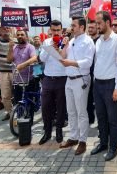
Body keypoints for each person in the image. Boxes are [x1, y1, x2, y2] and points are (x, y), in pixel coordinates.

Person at [90, 11, 117, 161]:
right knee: (101, 117)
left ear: (107, 22)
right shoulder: (98, 41)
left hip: (111, 85)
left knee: (113, 118)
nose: (97, 26)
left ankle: (113, 147)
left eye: (99, 23)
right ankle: (103, 143)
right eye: (96, 23)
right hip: (97, 85)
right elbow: (97, 62)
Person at [59, 16, 95, 155]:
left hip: (81, 79)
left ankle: (83, 141)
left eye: (74, 25)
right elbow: (62, 57)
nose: (71, 27)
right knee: (71, 111)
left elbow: (88, 62)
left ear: (81, 27)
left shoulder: (88, 41)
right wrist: (65, 45)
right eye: (71, 25)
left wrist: (71, 63)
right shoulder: (72, 40)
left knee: (81, 112)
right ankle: (73, 137)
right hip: (69, 79)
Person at [39, 20, 67, 145]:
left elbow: (65, 59)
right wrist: (50, 48)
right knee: (45, 107)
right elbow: (42, 59)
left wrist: (60, 47)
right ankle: (47, 131)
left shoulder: (66, 42)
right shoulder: (46, 42)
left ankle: (59, 130)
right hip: (48, 79)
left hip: (62, 78)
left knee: (61, 107)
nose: (56, 32)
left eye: (58, 30)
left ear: (61, 30)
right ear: (50, 30)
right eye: (53, 30)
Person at [7, 30, 38, 124]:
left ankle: (30, 121)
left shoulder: (30, 47)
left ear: (26, 37)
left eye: (22, 34)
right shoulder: (14, 47)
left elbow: (34, 58)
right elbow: (9, 60)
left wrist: (23, 65)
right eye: (18, 35)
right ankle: (20, 121)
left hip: (29, 79)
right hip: (17, 80)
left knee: (30, 102)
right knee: (17, 101)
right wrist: (10, 48)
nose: (20, 36)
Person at [87, 20, 99, 124]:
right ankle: (90, 119)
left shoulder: (101, 41)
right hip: (87, 73)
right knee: (88, 97)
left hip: (99, 75)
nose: (90, 29)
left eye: (92, 27)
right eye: (89, 28)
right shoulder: (87, 41)